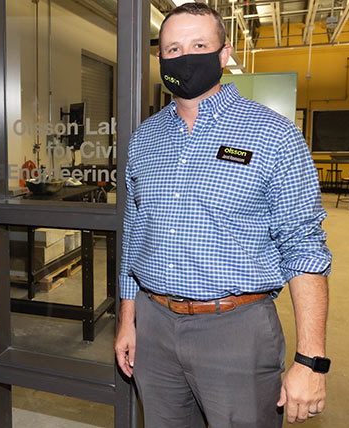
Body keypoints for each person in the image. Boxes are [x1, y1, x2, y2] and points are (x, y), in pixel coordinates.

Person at [114, 3, 333, 427]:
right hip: (155, 325)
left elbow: (304, 246)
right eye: (172, 48)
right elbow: (135, 232)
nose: (184, 57)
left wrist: (311, 360)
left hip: (236, 330)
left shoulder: (273, 135)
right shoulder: (145, 138)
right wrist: (128, 321)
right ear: (160, 59)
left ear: (224, 53)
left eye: (199, 45)